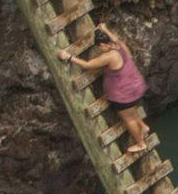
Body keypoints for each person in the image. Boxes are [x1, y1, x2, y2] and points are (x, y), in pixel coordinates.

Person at [62, 27, 151, 162]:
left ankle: (140, 143)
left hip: (123, 94)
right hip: (136, 86)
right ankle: (143, 127)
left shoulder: (109, 56)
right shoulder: (120, 45)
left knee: (128, 118)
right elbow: (115, 38)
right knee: (132, 110)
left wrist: (68, 57)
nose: (100, 49)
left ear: (103, 45)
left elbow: (88, 65)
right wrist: (105, 29)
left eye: (100, 47)